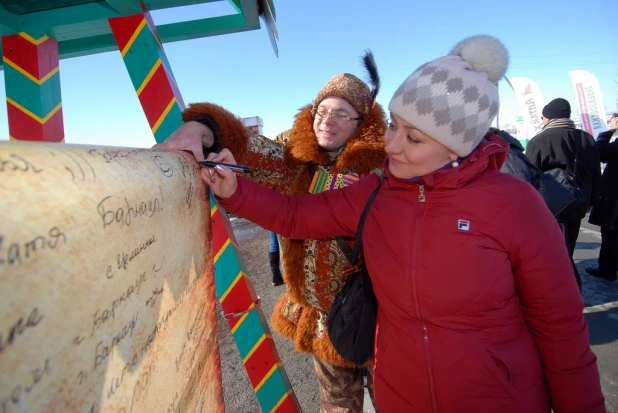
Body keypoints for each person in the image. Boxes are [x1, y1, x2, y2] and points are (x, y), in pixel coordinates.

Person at [201, 35, 605, 412]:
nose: (391, 144)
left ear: (457, 146)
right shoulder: (377, 191)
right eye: (394, 125)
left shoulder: (515, 205)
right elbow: (296, 216)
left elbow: (561, 333)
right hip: (400, 395)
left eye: (413, 138)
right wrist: (234, 191)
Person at [155, 54, 387, 412]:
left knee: (396, 398)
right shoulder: (295, 161)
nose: (327, 121)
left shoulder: (386, 167)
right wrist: (202, 127)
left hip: (379, 313)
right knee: (337, 406)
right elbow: (247, 147)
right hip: (323, 317)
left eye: (341, 113)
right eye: (321, 111)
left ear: (362, 122)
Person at [526, 98, 601, 290]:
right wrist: (591, 201)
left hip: (550, 205)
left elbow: (529, 175)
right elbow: (595, 173)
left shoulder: (540, 140)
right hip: (579, 202)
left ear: (548, 117)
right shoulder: (586, 138)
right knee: (569, 244)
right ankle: (566, 287)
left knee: (554, 251)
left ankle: (567, 290)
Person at [587, 113, 618, 281]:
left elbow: (598, 152)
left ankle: (607, 269)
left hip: (614, 198)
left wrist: (609, 131)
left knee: (610, 235)